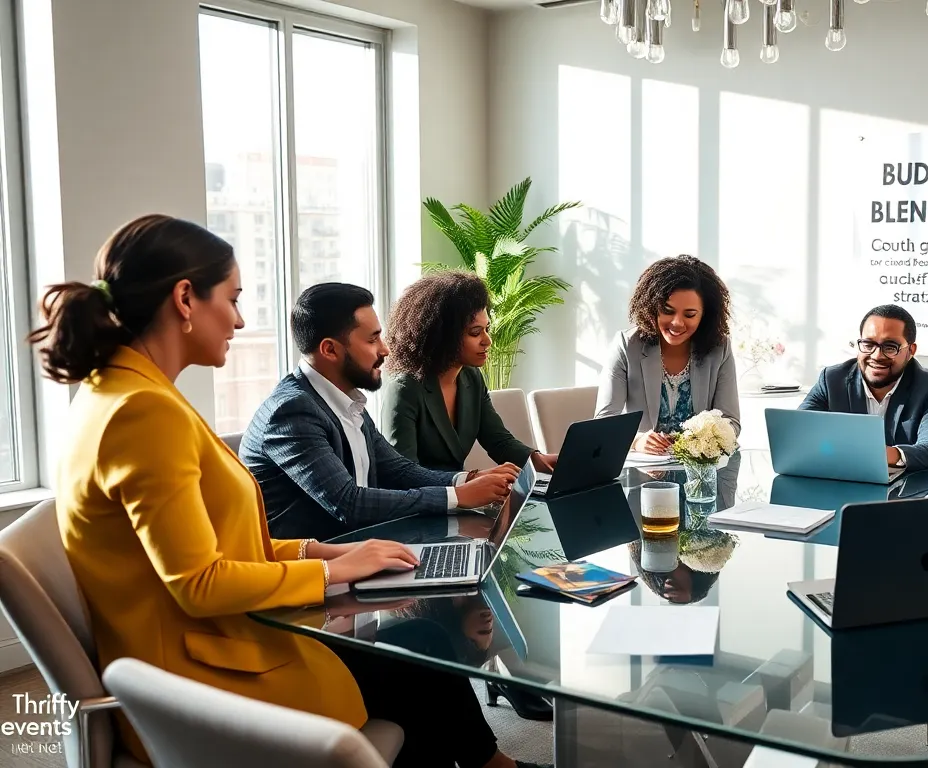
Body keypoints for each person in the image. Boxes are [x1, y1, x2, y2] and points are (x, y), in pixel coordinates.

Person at [30, 215, 544, 768]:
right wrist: (331, 571)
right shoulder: (144, 412)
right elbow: (200, 584)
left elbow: (215, 550)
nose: (240, 319)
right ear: (185, 299)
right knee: (417, 662)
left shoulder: (117, 394)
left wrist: (330, 553)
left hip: (197, 650)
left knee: (418, 650)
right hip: (199, 680)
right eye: (232, 298)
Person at [240, 282, 519, 542]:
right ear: (330, 350)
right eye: (373, 340)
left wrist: (469, 479)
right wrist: (457, 496)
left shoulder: (348, 402)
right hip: (316, 574)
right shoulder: (291, 412)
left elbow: (398, 470)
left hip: (360, 552)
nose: (385, 350)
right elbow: (349, 503)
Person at [382, 271, 558, 473]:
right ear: (443, 335)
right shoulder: (405, 389)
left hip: (462, 498)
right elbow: (404, 475)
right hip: (428, 501)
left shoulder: (471, 378)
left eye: (487, 329)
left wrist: (537, 459)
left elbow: (499, 441)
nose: (487, 341)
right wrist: (471, 481)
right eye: (475, 332)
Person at [596, 255, 740, 454]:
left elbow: (731, 424)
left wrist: (698, 441)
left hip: (699, 471)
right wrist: (636, 441)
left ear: (705, 315)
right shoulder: (626, 346)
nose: (677, 323)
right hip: (644, 477)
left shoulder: (719, 348)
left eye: (689, 315)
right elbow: (603, 424)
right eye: (667, 310)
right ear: (651, 306)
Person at [798, 304, 928, 471]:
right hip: (837, 481)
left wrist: (883, 454)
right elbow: (798, 431)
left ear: (911, 350)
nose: (876, 355)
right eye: (868, 344)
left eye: (890, 347)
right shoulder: (832, 380)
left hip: (902, 490)